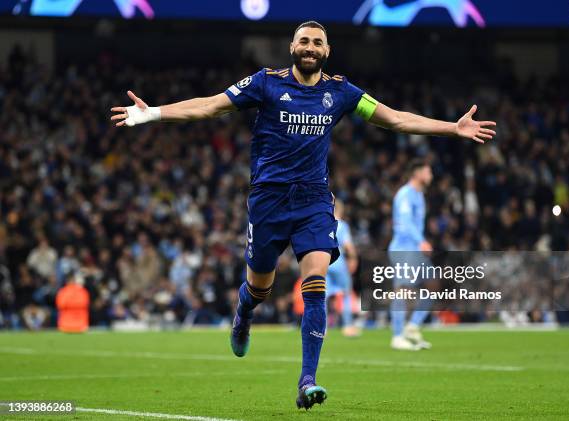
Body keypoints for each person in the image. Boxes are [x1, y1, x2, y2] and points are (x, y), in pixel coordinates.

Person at [110, 20, 496, 410]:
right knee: (260, 287)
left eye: (318, 42)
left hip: (313, 201)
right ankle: (244, 311)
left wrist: (452, 128)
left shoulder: (342, 92)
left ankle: (307, 380)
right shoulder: (266, 83)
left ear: (326, 51)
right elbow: (209, 106)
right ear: (292, 47)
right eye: (304, 41)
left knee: (316, 281)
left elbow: (394, 118)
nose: (310, 47)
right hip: (268, 200)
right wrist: (153, 113)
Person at [389, 159, 435, 351]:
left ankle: (413, 326)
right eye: (428, 171)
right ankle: (397, 336)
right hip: (403, 248)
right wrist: (421, 241)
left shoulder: (419, 195)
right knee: (402, 290)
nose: (431, 175)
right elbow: (405, 222)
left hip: (415, 249)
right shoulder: (405, 194)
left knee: (434, 284)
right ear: (417, 173)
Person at [326, 199, 360, 337]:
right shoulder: (342, 225)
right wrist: (353, 258)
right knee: (346, 293)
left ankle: (322, 328)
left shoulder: (324, 223)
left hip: (324, 262)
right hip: (338, 262)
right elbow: (348, 245)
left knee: (323, 296)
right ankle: (347, 326)